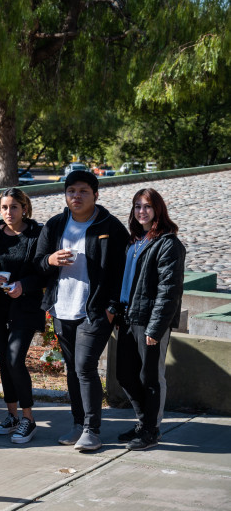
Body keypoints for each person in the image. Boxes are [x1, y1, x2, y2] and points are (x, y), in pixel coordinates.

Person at [35, 170, 129, 451]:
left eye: (83, 191)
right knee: (73, 371)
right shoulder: (54, 225)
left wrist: (112, 308)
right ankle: (78, 424)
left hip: (95, 311)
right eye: (71, 191)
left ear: (95, 195)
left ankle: (92, 429)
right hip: (62, 308)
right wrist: (51, 259)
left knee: (85, 367)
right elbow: (38, 264)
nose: (76, 196)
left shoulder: (110, 226)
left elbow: (123, 272)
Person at [115, 188, 185, 451]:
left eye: (146, 206)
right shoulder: (135, 241)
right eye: (137, 206)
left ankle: (151, 430)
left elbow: (169, 291)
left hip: (150, 321)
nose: (141, 211)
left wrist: (155, 328)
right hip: (128, 317)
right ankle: (144, 423)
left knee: (150, 378)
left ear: (158, 209)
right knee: (125, 374)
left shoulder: (168, 244)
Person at [0, 188, 44, 444]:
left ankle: (29, 419)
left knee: (15, 359)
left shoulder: (36, 233)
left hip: (24, 306)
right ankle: (12, 415)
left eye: (14, 207)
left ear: (24, 208)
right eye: (4, 207)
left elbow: (43, 272)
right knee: (4, 361)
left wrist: (23, 286)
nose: (8, 212)